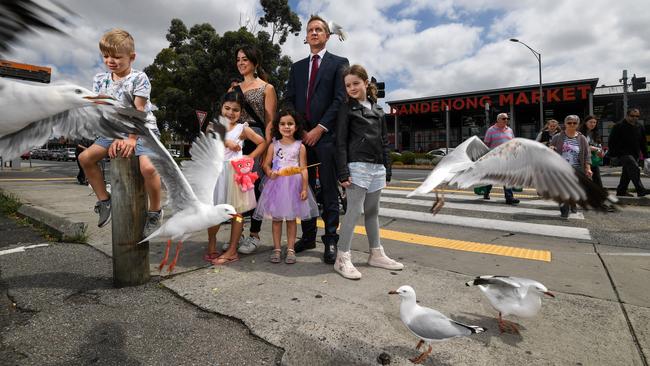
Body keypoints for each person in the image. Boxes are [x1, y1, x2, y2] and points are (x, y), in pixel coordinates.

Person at [78, 29, 163, 236]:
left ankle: (155, 211)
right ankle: (105, 200)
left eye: (117, 57)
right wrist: (116, 137)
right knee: (85, 158)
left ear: (131, 57)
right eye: (106, 56)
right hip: (114, 130)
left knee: (148, 169)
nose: (110, 61)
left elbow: (138, 111)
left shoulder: (139, 78)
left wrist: (131, 140)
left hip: (142, 129)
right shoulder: (100, 80)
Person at [285, 15, 349, 264]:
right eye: (310, 30)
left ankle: (331, 238)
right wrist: (300, 130)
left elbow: (340, 99)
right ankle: (308, 235)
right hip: (302, 138)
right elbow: (289, 99)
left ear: (327, 36)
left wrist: (319, 129)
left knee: (330, 191)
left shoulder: (339, 63)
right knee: (305, 189)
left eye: (319, 30)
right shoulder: (297, 67)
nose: (314, 33)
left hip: (326, 138)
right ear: (306, 36)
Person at [334, 65, 402, 280]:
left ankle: (376, 254)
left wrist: (387, 168)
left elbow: (384, 142)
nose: (352, 88)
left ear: (365, 83)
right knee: (353, 212)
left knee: (372, 212)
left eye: (356, 83)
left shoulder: (379, 111)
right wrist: (343, 172)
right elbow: (340, 142)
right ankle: (342, 257)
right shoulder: (346, 109)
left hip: (377, 168)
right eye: (348, 85)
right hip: (357, 166)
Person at [226, 45, 278, 255]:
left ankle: (254, 235)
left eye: (245, 59)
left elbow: (269, 121)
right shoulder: (233, 90)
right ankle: (236, 237)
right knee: (235, 189)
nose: (240, 63)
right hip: (236, 140)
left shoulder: (267, 88)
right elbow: (227, 116)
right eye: (238, 59)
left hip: (256, 141)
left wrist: (266, 147)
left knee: (253, 188)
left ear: (255, 63)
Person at [205, 91, 266, 265]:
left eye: (236, 110)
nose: (231, 113)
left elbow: (262, 142)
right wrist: (227, 142)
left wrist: (250, 157)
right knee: (215, 211)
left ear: (241, 112)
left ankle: (232, 249)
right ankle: (211, 245)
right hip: (216, 172)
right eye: (227, 108)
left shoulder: (242, 128)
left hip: (235, 172)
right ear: (221, 107)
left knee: (237, 213)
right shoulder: (213, 125)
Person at [253, 109, 319, 264]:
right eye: (283, 124)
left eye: (290, 123)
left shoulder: (300, 146)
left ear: (296, 127)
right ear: (278, 126)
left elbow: (303, 169)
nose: (286, 126)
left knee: (291, 220)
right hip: (276, 185)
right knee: (276, 219)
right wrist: (269, 173)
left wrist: (304, 188)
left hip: (293, 186)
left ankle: (290, 249)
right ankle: (276, 248)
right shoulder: (273, 145)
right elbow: (265, 164)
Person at [550, 115, 592, 218]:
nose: (572, 125)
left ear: (578, 124)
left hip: (577, 169)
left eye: (574, 123)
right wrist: (551, 149)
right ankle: (564, 211)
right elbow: (550, 151)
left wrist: (588, 169)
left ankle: (573, 204)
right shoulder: (557, 137)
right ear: (565, 124)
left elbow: (587, 155)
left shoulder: (582, 138)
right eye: (569, 123)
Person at [608, 108, 647, 197]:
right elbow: (611, 141)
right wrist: (614, 154)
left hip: (635, 154)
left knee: (627, 173)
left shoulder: (640, 126)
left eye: (637, 116)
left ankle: (621, 191)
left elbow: (643, 143)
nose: (635, 118)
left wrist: (646, 156)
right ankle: (641, 190)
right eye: (632, 116)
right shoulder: (618, 126)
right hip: (622, 154)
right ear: (627, 115)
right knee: (634, 168)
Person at [482, 113, 520, 204]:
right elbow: (486, 144)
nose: (506, 120)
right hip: (494, 158)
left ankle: (509, 197)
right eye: (504, 118)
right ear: (498, 120)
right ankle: (486, 192)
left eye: (507, 118)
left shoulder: (509, 130)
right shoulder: (491, 130)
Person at [579, 115, 605, 188]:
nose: (593, 124)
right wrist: (594, 148)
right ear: (585, 123)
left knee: (597, 181)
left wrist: (601, 152)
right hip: (582, 161)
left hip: (594, 160)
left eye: (594, 122)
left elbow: (599, 146)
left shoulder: (596, 134)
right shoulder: (580, 134)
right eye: (591, 122)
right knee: (583, 182)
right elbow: (581, 147)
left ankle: (600, 196)